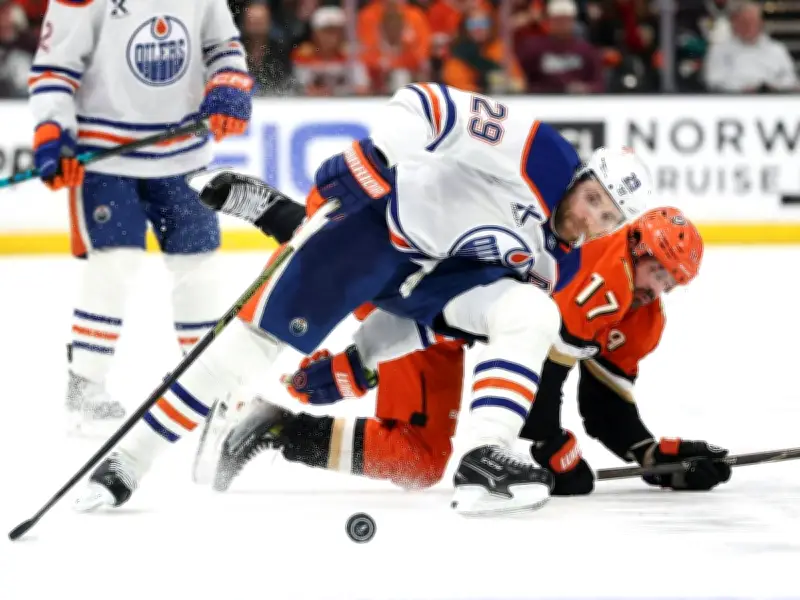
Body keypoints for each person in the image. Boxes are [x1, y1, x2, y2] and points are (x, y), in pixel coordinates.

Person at [75, 83, 653, 517]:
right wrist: (378, 156)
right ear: (581, 176)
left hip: (423, 277)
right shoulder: (541, 153)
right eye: (592, 199)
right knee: (248, 351)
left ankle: (484, 460)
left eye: (608, 217)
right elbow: (427, 104)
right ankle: (130, 459)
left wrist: (362, 358)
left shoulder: (560, 263)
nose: (591, 220)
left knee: (532, 313)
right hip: (375, 227)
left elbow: (443, 317)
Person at [198, 205, 729, 497]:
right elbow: (536, 391)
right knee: (417, 455)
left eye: (670, 281)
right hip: (429, 310)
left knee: (418, 458)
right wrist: (553, 447)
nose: (657, 288)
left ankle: (267, 423)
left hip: (443, 313)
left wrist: (648, 454)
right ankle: (264, 424)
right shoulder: (605, 278)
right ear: (634, 244)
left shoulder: (642, 313)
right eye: (656, 270)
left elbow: (604, 403)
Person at [28, 0, 253, 435]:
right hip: (105, 155)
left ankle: (205, 386)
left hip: (184, 153)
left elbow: (223, 46)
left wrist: (229, 86)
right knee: (115, 264)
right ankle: (86, 384)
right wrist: (54, 131)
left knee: (198, 268)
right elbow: (56, 68)